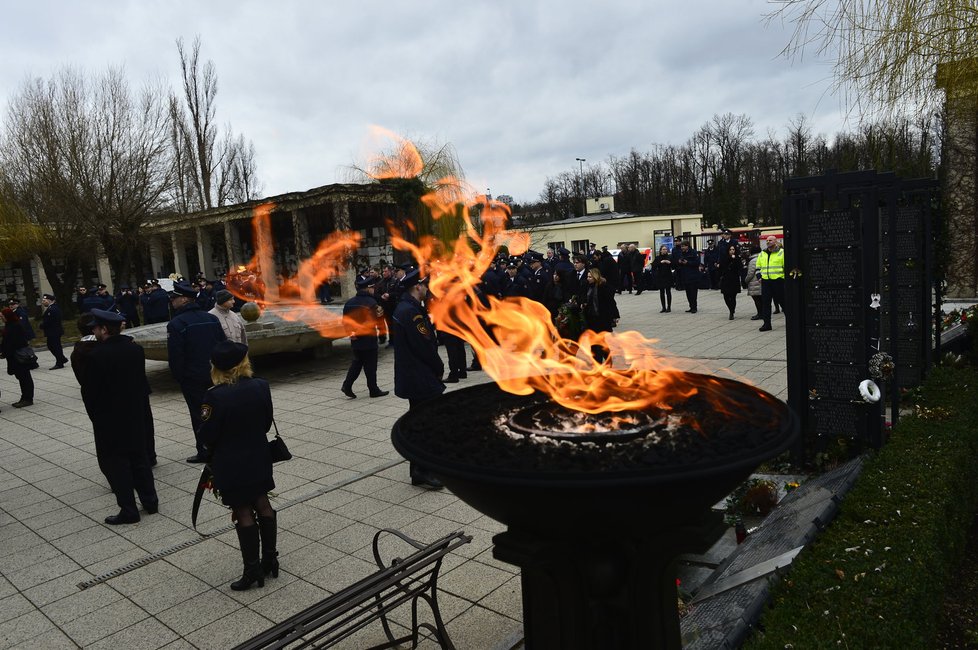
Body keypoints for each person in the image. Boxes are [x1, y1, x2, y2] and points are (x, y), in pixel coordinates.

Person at [197, 341, 278, 591]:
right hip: (258, 454)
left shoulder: (214, 395)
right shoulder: (260, 386)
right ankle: (270, 560)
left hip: (230, 461)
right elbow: (266, 423)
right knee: (263, 503)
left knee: (243, 510)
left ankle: (252, 570)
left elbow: (207, 435)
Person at [79, 309, 158, 525]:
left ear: (104, 329)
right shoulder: (135, 349)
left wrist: (96, 417)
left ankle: (129, 510)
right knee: (139, 458)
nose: (93, 331)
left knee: (118, 464)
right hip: (135, 414)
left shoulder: (95, 356)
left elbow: (90, 393)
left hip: (110, 419)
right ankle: (150, 501)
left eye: (96, 327)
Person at [391, 269, 444, 489]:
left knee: (419, 421)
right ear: (417, 287)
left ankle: (419, 470)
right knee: (425, 424)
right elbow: (424, 346)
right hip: (420, 376)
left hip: (413, 375)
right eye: (424, 285)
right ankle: (422, 471)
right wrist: (438, 366)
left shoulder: (405, 308)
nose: (427, 288)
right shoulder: (411, 313)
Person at [167, 281, 227, 463]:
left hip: (193, 379)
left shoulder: (176, 323)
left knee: (199, 414)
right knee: (219, 410)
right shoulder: (211, 318)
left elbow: (176, 356)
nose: (172, 301)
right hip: (216, 374)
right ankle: (223, 444)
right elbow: (223, 345)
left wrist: (180, 378)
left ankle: (205, 450)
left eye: (175, 298)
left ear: (184, 299)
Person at [340, 276, 389, 398]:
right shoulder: (371, 303)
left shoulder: (349, 303)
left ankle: (347, 385)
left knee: (357, 362)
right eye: (372, 288)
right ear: (368, 289)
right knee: (370, 365)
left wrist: (351, 334)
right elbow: (377, 320)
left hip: (356, 339)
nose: (373, 290)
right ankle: (373, 389)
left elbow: (345, 322)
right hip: (368, 338)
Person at [1, 307, 36, 408]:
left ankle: (28, 398)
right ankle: (24, 397)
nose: (1, 318)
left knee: (25, 378)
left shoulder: (15, 326)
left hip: (19, 357)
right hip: (14, 357)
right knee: (22, 377)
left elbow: (13, 343)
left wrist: (4, 353)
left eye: (2, 316)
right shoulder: (10, 326)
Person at [583, 268, 620, 364]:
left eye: (590, 277)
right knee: (593, 343)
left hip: (602, 319)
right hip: (591, 319)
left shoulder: (603, 287)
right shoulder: (587, 287)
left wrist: (615, 315)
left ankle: (607, 359)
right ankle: (597, 363)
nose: (588, 278)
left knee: (602, 343)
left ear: (596, 277)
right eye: (587, 276)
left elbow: (611, 302)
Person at [756, 236, 786, 332]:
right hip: (766, 281)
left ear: (775, 241)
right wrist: (759, 276)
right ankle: (767, 324)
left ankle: (791, 321)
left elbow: (786, 266)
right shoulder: (762, 253)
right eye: (767, 240)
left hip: (778, 281)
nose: (768, 242)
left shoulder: (781, 253)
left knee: (783, 303)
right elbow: (758, 266)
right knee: (766, 303)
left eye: (770, 240)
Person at [40, 294, 69, 369]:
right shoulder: (51, 308)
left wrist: (42, 325)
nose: (43, 302)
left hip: (54, 331)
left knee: (54, 347)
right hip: (53, 331)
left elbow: (50, 321)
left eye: (44, 301)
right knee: (53, 346)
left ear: (49, 300)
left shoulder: (52, 309)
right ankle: (62, 359)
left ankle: (60, 362)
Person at [718, 244, 744, 320]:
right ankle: (731, 308)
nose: (732, 251)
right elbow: (722, 267)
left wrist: (735, 259)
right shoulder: (724, 257)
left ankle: (731, 312)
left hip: (734, 279)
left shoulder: (738, 258)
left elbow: (740, 267)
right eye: (730, 250)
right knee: (726, 296)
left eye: (733, 250)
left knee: (733, 296)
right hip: (725, 279)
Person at [675, 241, 701, 313]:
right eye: (681, 246)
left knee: (693, 293)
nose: (682, 248)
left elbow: (697, 263)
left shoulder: (693, 252)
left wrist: (688, 263)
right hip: (685, 276)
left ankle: (694, 307)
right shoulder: (681, 253)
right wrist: (679, 262)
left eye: (683, 246)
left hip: (693, 276)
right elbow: (678, 263)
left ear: (687, 246)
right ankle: (690, 306)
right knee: (688, 293)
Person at [650, 245, 674, 313]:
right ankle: (663, 307)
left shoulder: (669, 257)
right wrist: (661, 262)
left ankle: (669, 307)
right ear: (660, 250)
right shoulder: (658, 258)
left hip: (668, 276)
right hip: (660, 276)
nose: (665, 250)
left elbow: (674, 265)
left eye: (666, 249)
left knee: (668, 292)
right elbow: (654, 265)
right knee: (662, 292)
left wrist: (670, 263)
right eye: (663, 249)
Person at [744, 245, 764, 320]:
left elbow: (750, 273)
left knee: (757, 299)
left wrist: (746, 280)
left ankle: (760, 314)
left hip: (754, 282)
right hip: (761, 281)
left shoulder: (753, 260)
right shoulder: (762, 258)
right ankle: (763, 313)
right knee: (762, 299)